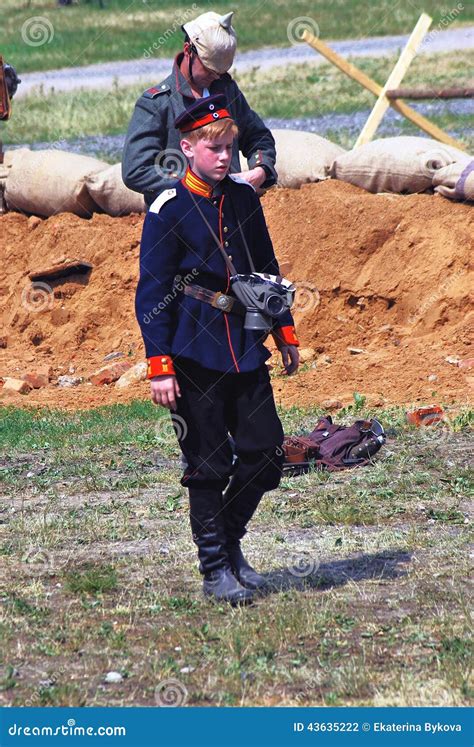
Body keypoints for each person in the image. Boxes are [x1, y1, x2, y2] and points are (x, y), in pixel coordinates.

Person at [135, 94, 300, 606]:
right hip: (191, 348)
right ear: (187, 148)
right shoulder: (169, 207)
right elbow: (151, 291)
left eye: (230, 147)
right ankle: (215, 569)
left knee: (267, 452)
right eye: (214, 148)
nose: (225, 156)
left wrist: (284, 331)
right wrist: (159, 365)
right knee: (208, 464)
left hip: (245, 342)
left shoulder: (245, 199)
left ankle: (228, 542)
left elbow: (265, 264)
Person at [122, 11, 277, 208]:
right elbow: (136, 169)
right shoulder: (156, 103)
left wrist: (260, 170)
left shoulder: (227, 91)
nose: (215, 76)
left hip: (231, 213)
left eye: (220, 72)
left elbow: (259, 137)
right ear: (188, 50)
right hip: (180, 219)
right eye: (209, 69)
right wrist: (195, 183)